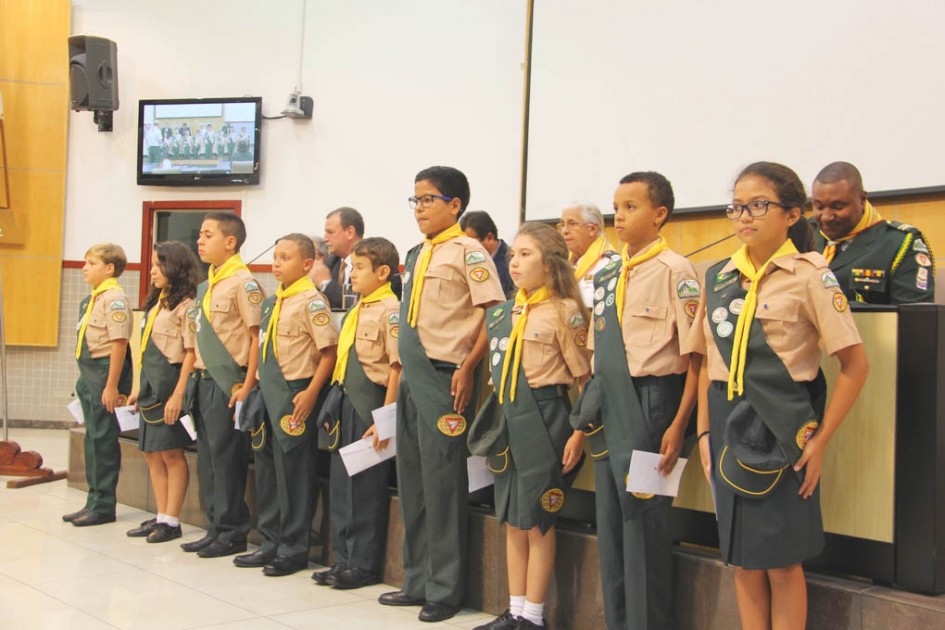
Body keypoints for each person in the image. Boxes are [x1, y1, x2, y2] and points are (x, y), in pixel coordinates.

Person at [688, 161, 869, 629]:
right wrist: (705, 433)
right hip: (728, 423)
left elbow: (855, 365)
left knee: (784, 563)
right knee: (744, 560)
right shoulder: (719, 277)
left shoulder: (810, 275)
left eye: (758, 205)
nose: (744, 216)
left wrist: (820, 440)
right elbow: (708, 362)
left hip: (783, 425)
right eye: (737, 207)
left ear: (792, 215)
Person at [377, 166, 505, 623]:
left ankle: (445, 589)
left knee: (444, 484)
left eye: (428, 199)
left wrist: (469, 367)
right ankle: (416, 579)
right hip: (414, 375)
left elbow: (493, 311)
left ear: (455, 205)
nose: (420, 209)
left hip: (448, 376)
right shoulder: (416, 254)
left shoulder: (468, 251)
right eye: (415, 200)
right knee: (412, 480)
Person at [581, 172, 701, 630]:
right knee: (610, 523)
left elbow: (693, 356)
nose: (620, 215)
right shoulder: (609, 273)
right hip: (610, 399)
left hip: (654, 402)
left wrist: (678, 422)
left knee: (645, 521)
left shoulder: (677, 271)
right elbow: (599, 350)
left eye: (631, 206)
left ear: (660, 214)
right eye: (616, 206)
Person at [471, 222, 590, 630]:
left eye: (526, 255)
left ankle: (534, 617)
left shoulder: (565, 311)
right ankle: (514, 609)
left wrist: (579, 431)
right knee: (512, 519)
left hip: (546, 416)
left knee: (539, 518)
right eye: (513, 255)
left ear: (551, 263)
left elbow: (584, 378)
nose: (515, 263)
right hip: (508, 416)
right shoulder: (505, 312)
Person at [234, 234, 337, 576]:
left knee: (294, 473)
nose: (276, 263)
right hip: (268, 393)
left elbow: (329, 353)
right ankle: (270, 541)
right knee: (267, 472)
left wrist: (310, 394)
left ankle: (293, 548)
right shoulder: (271, 303)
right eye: (275, 257)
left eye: (286, 258)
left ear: (307, 264)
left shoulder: (312, 302)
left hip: (295, 393)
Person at [312, 237, 401, 590]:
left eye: (359, 269)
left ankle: (362, 564)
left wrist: (385, 419)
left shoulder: (390, 310)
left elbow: (396, 367)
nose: (351, 276)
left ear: (383, 272)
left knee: (365, 489)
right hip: (346, 402)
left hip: (371, 405)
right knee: (343, 485)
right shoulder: (359, 308)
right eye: (350, 268)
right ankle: (343, 560)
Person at [182, 212, 262, 558]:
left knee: (227, 459)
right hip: (202, 380)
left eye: (207, 235)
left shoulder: (243, 283)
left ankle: (232, 531)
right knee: (208, 459)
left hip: (227, 383)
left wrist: (246, 384)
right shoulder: (207, 284)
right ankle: (214, 526)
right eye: (199, 235)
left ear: (230, 241)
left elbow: (256, 338)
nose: (199, 241)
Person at [126, 241, 199, 543]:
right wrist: (135, 389)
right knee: (151, 452)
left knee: (171, 453)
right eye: (153, 264)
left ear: (176, 267)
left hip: (169, 386)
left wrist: (179, 393)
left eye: (159, 264)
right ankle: (160, 514)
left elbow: (191, 353)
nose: (153, 270)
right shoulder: (157, 302)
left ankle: (172, 520)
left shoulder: (187, 306)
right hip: (149, 386)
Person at [62, 243, 134, 527]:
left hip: (106, 374)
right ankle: (92, 500)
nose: (84, 268)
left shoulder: (113, 299)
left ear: (109, 268)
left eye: (91, 263)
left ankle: (104, 505)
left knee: (103, 441)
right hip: (90, 374)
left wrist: (112, 386)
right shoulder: (93, 298)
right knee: (92, 440)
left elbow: (119, 344)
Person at [812, 161, 935, 304]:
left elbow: (914, 318)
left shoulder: (900, 243)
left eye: (838, 206)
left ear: (862, 200)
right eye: (819, 207)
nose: (826, 216)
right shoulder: (806, 234)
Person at [558, 202, 619, 307]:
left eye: (572, 224)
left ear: (592, 229)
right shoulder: (562, 264)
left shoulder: (611, 265)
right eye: (562, 225)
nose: (565, 231)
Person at [314, 207, 364, 309]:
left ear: (350, 232)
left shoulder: (375, 262)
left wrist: (326, 284)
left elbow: (358, 304)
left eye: (330, 232)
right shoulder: (328, 263)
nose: (325, 239)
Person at [460, 210, 515, 297]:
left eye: (471, 243)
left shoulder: (512, 262)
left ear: (489, 238)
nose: (465, 249)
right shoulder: (468, 260)